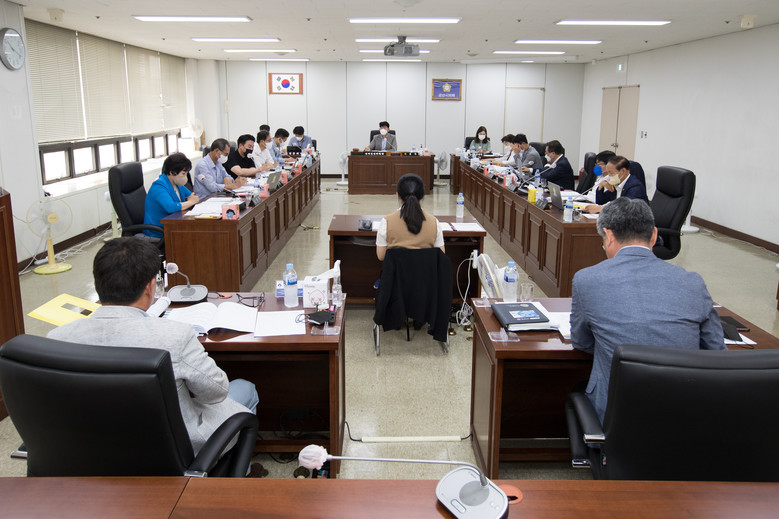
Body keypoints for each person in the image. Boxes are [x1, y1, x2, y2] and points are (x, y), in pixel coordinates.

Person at [47, 237, 260, 456]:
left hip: (89, 449)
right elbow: (216, 392)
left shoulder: (57, 339)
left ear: (96, 284)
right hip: (171, 451)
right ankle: (233, 471)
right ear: (150, 287)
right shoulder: (175, 336)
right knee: (244, 388)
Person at [570, 197, 725, 422]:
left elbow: (581, 342)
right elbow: (716, 350)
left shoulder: (587, 279)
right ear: (653, 235)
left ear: (609, 236)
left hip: (615, 419)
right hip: (686, 416)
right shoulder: (692, 281)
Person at [376, 173, 444, 261]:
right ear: (422, 196)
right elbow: (441, 255)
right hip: (426, 270)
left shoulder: (386, 222)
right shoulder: (434, 222)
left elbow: (381, 256)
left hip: (397, 270)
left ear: (398, 195)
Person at [143, 153, 199, 238]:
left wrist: (191, 200)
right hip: (158, 231)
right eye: (183, 173)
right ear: (172, 173)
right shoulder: (158, 186)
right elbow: (171, 207)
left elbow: (192, 195)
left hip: (173, 226)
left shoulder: (177, 184)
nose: (186, 176)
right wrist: (190, 202)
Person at [585, 155, 649, 214]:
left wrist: (602, 209)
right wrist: (600, 186)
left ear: (623, 171)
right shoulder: (616, 184)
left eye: (611, 173)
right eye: (608, 173)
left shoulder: (635, 186)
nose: (608, 176)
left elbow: (626, 209)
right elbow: (600, 201)